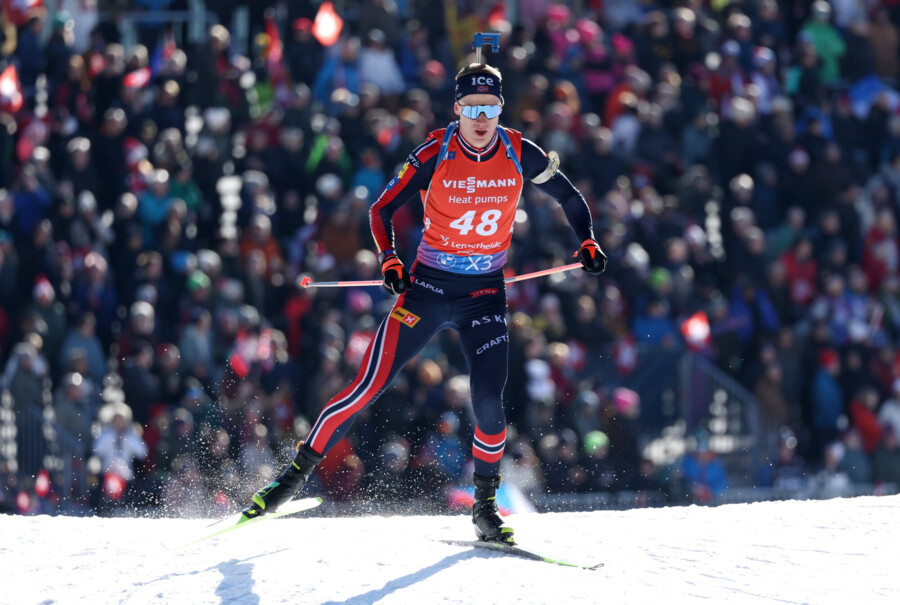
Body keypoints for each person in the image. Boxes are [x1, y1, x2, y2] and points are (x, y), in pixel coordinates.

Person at [242, 59, 606, 544]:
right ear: (457, 108)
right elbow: (382, 209)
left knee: (488, 405)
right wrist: (390, 260)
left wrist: (587, 240)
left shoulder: (521, 150)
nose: (481, 118)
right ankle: (289, 480)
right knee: (366, 389)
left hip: (483, 295)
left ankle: (484, 510)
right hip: (430, 289)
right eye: (472, 107)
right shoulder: (437, 148)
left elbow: (570, 197)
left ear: (501, 109)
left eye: (490, 107)